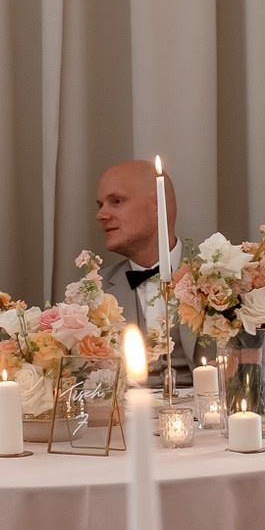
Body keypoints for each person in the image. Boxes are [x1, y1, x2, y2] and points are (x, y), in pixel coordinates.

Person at [93, 159, 192, 376]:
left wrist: (239, 369)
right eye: (100, 205)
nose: (101, 215)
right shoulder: (93, 292)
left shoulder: (225, 277)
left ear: (158, 205)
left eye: (116, 201)